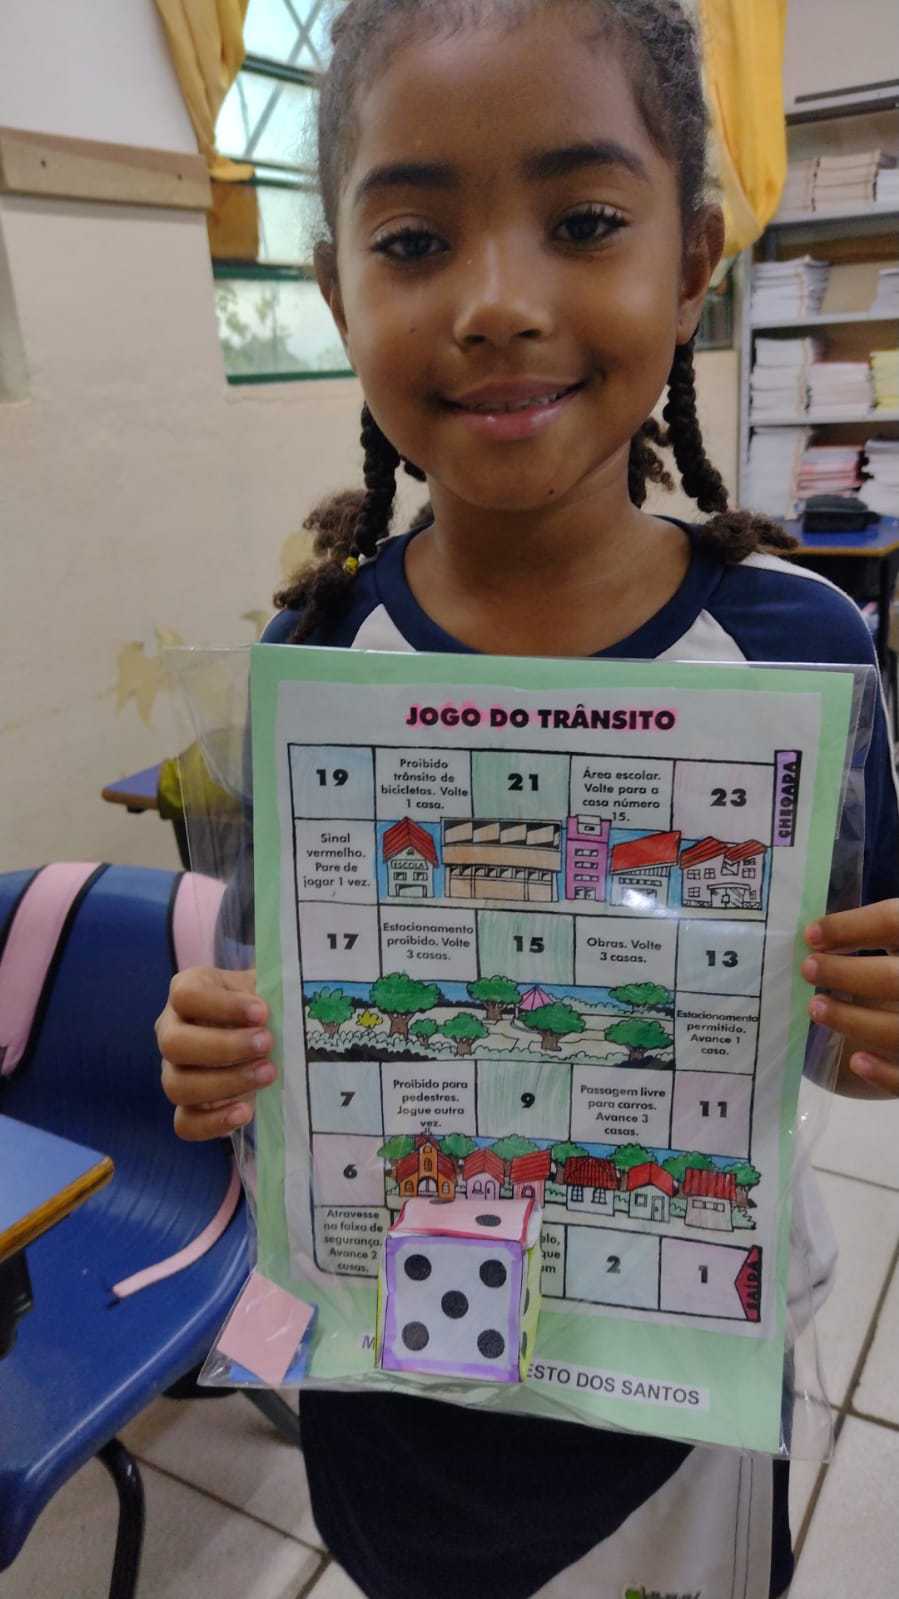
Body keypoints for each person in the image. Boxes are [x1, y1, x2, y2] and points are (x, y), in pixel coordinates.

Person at [155, 3, 899, 1594]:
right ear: (337, 291)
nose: (497, 303)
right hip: (393, 1375)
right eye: (416, 241)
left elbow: (840, 1034)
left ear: (691, 263)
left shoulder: (800, 650)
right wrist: (214, 1039)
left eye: (583, 222)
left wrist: (878, 1027)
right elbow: (265, 978)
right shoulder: (312, 651)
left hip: (675, 1384)